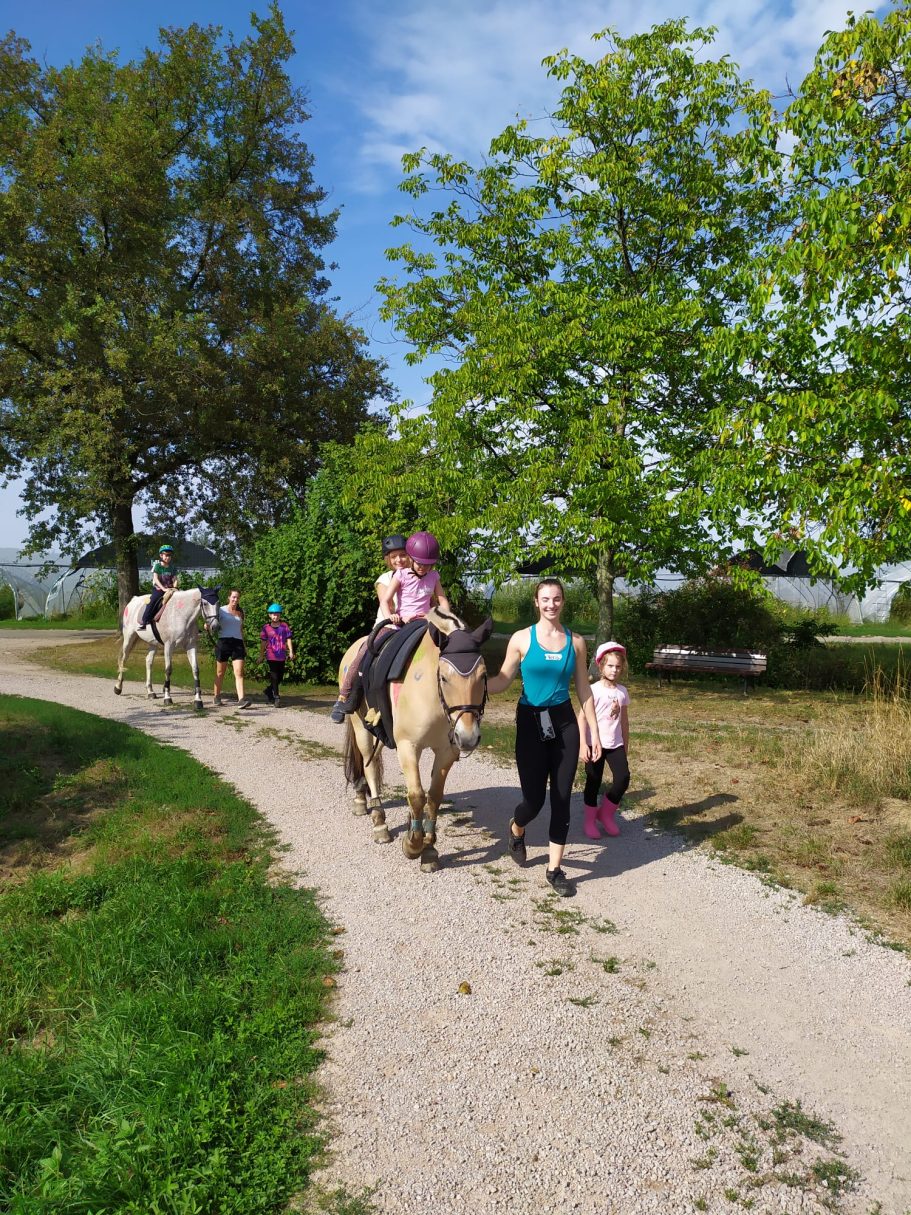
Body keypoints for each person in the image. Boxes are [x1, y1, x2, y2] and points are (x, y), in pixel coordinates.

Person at [487, 577, 601, 897]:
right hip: (531, 722)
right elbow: (504, 678)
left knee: (562, 798)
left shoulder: (576, 642)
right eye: (545, 599)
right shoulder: (522, 639)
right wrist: (476, 687)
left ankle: (554, 870)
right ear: (536, 603)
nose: (551, 604)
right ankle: (516, 828)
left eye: (557, 599)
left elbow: (583, 688)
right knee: (533, 801)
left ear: (563, 602)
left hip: (564, 723)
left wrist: (591, 730)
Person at [330, 532, 451, 723]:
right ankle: (345, 696)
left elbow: (435, 599)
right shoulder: (386, 578)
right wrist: (395, 618)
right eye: (393, 557)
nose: (399, 560)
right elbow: (388, 603)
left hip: (418, 622)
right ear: (388, 559)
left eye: (403, 555)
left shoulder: (425, 574)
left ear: (411, 556)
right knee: (365, 653)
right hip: (390, 622)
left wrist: (439, 616)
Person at [581, 641, 631, 839]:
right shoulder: (593, 690)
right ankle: (589, 820)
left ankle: (606, 814)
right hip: (594, 743)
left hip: (615, 744)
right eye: (610, 665)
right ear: (601, 666)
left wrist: (625, 745)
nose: (614, 670)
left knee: (623, 778)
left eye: (618, 666)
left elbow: (624, 722)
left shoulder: (622, 692)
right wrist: (583, 745)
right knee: (594, 781)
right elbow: (581, 717)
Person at [213, 589, 251, 709]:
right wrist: (207, 626)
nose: (235, 600)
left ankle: (241, 699)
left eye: (237, 598)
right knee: (220, 672)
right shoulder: (220, 610)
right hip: (224, 642)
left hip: (238, 643)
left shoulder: (240, 612)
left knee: (239, 672)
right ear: (228, 597)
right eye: (233, 597)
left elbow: (240, 630)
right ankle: (217, 696)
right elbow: (212, 623)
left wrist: (244, 646)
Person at [259, 603, 295, 707]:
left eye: (277, 614)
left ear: (280, 615)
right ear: (269, 615)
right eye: (273, 614)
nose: (275, 616)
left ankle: (269, 690)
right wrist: (261, 655)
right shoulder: (266, 628)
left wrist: (291, 651)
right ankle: (276, 697)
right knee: (274, 675)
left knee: (280, 677)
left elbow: (288, 639)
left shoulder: (284, 626)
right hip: (271, 655)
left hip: (281, 655)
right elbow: (263, 642)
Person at [141, 544, 180, 627]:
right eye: (166, 555)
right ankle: (145, 620)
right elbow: (156, 579)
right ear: (161, 555)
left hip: (170, 589)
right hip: (159, 589)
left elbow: (175, 579)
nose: (168, 557)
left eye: (170, 555)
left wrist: (175, 588)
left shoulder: (172, 567)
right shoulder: (158, 566)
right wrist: (163, 589)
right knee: (153, 600)